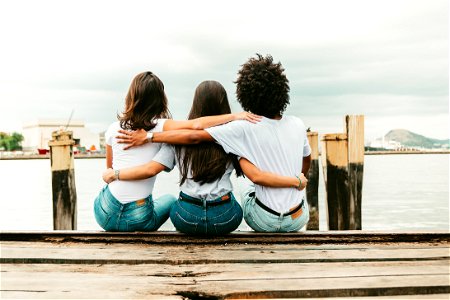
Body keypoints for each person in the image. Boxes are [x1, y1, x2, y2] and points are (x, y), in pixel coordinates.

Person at [116, 55, 311, 233]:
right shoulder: (243, 133)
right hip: (228, 219)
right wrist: (296, 181)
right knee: (246, 187)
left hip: (187, 218)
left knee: (175, 200)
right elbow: (265, 172)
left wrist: (147, 141)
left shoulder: (181, 137)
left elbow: (184, 143)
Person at [95, 72, 259, 232]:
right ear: (160, 100)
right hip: (223, 218)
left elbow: (109, 170)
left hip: (109, 211)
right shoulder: (163, 127)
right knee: (243, 188)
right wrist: (235, 116)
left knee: (170, 201)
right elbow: (196, 126)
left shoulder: (114, 129)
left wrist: (116, 174)